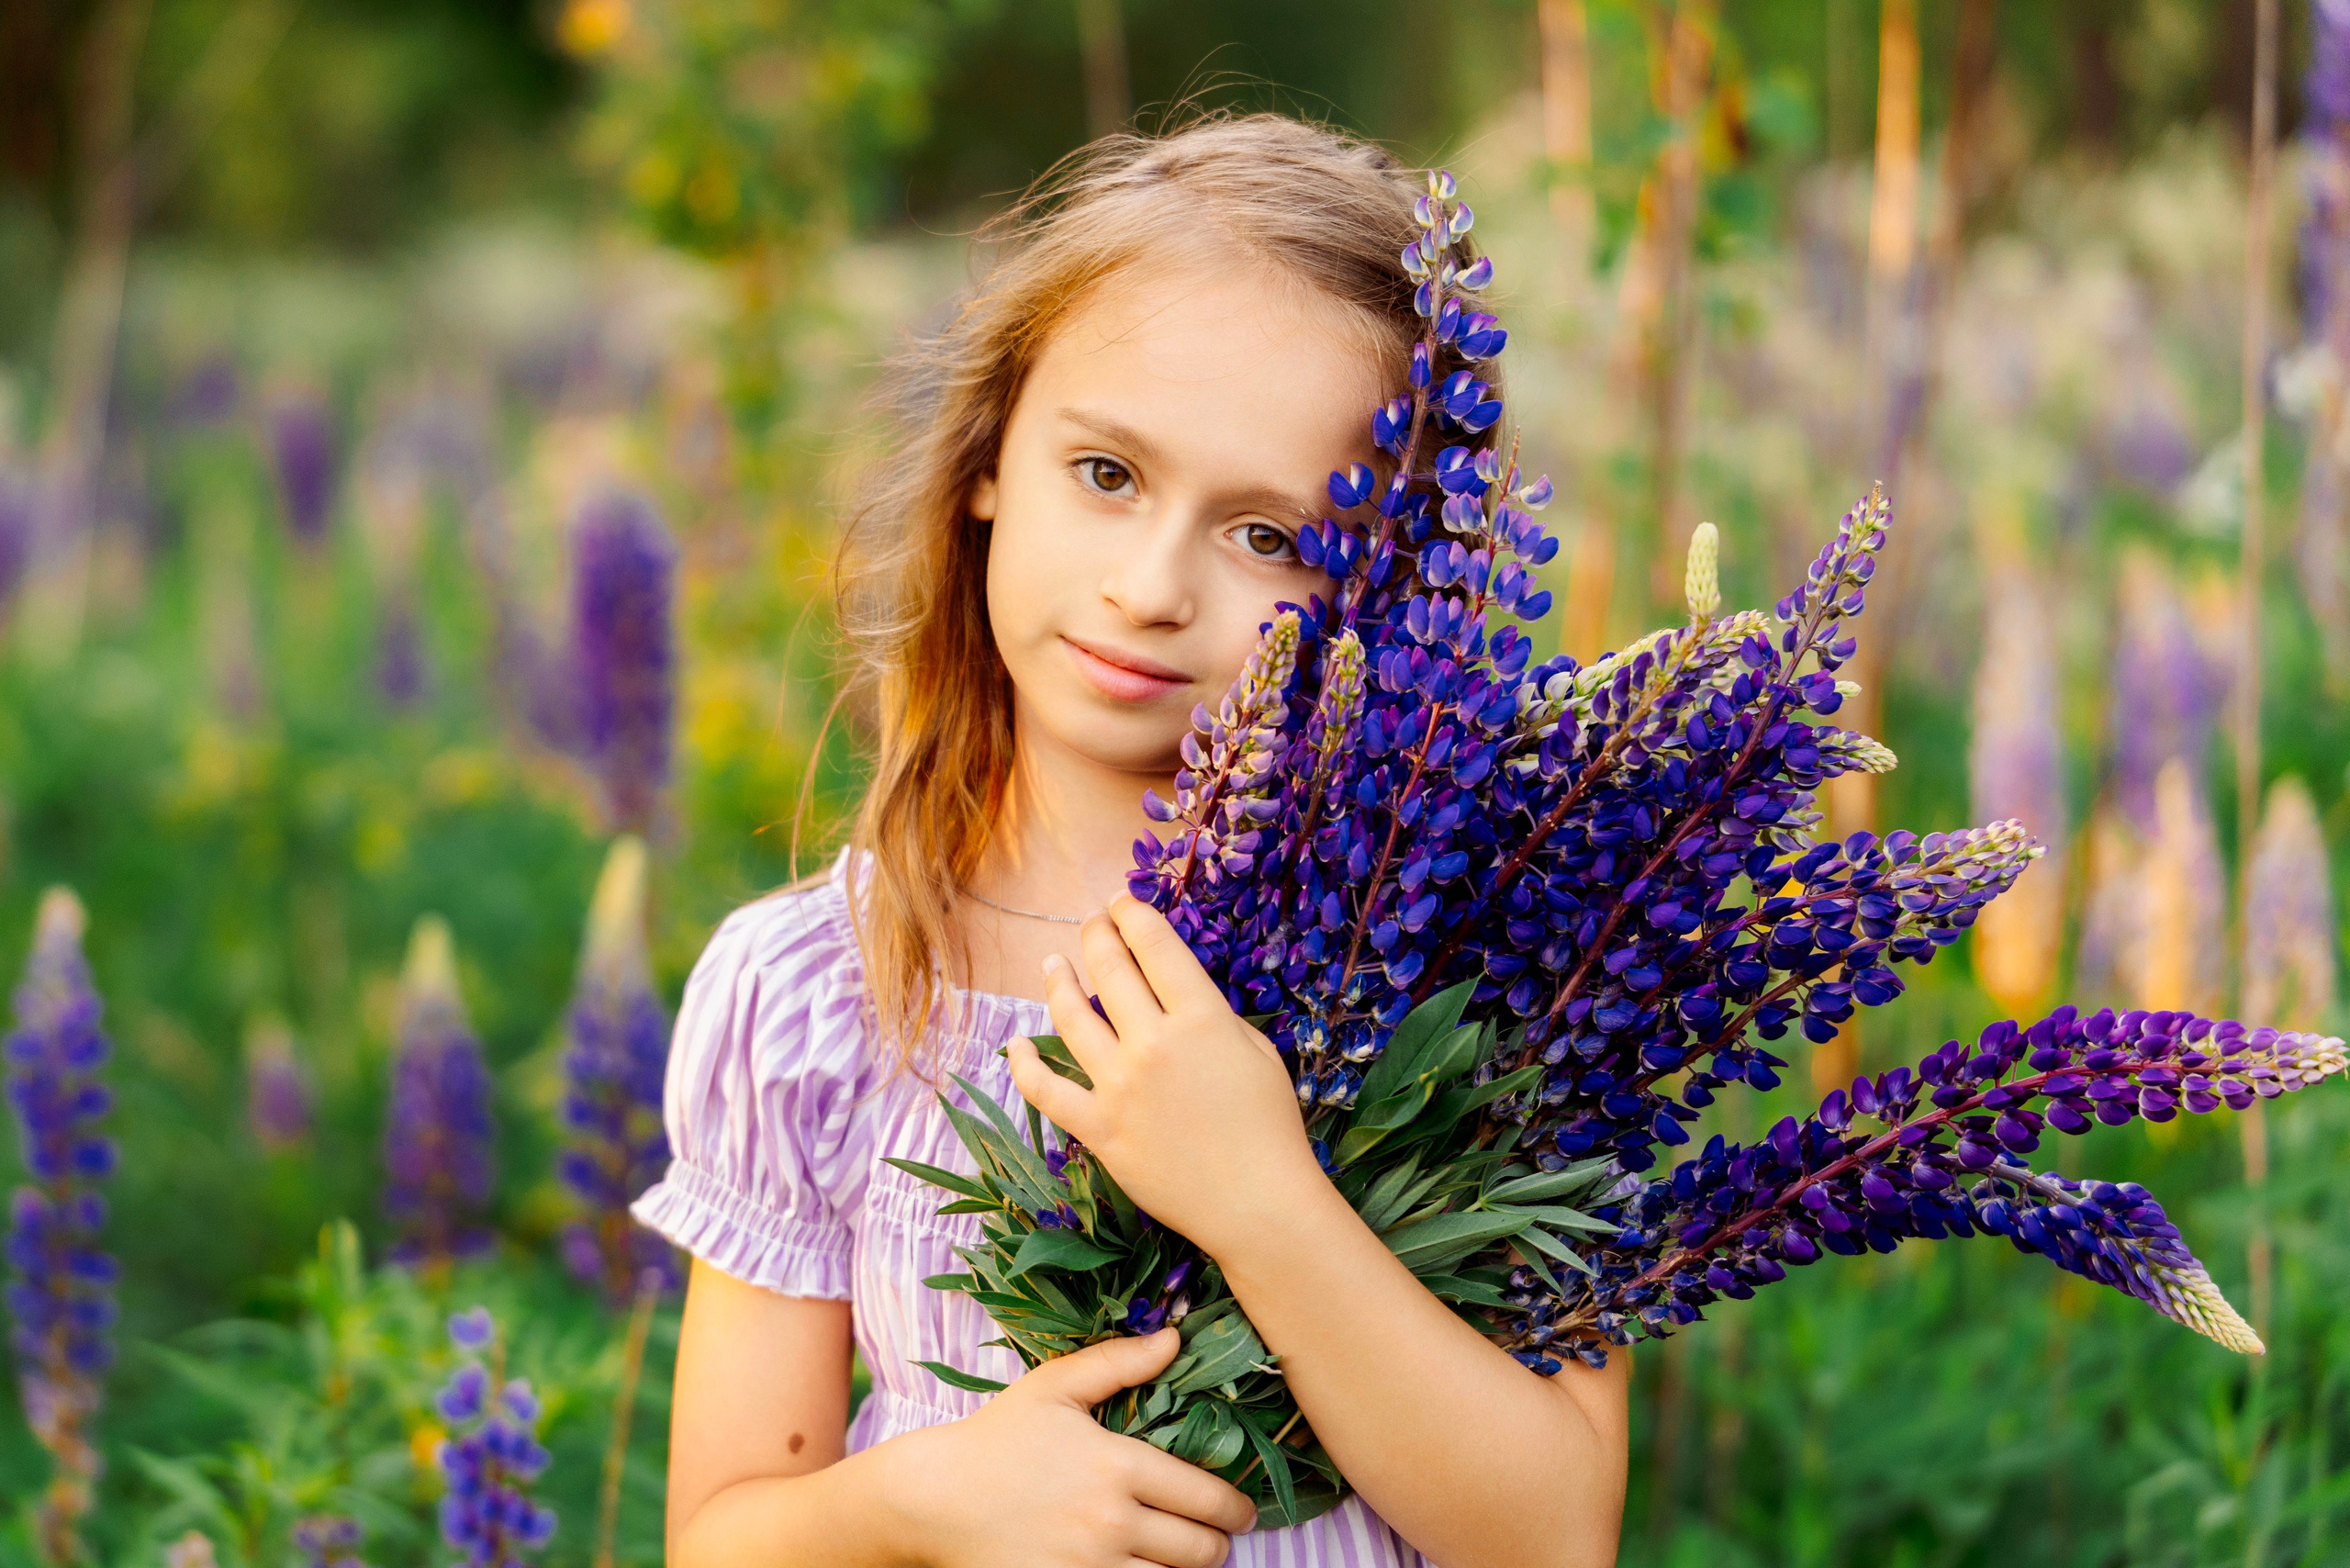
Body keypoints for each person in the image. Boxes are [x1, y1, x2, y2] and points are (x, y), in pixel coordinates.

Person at [637, 112, 1630, 1568]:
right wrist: (927, 1501)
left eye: (1270, 537)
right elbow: (718, 1539)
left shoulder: (1494, 966)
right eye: (1107, 475)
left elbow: (1552, 1539)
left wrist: (1259, 1194)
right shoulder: (813, 989)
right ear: (989, 459)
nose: (1154, 587)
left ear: (1404, 586)